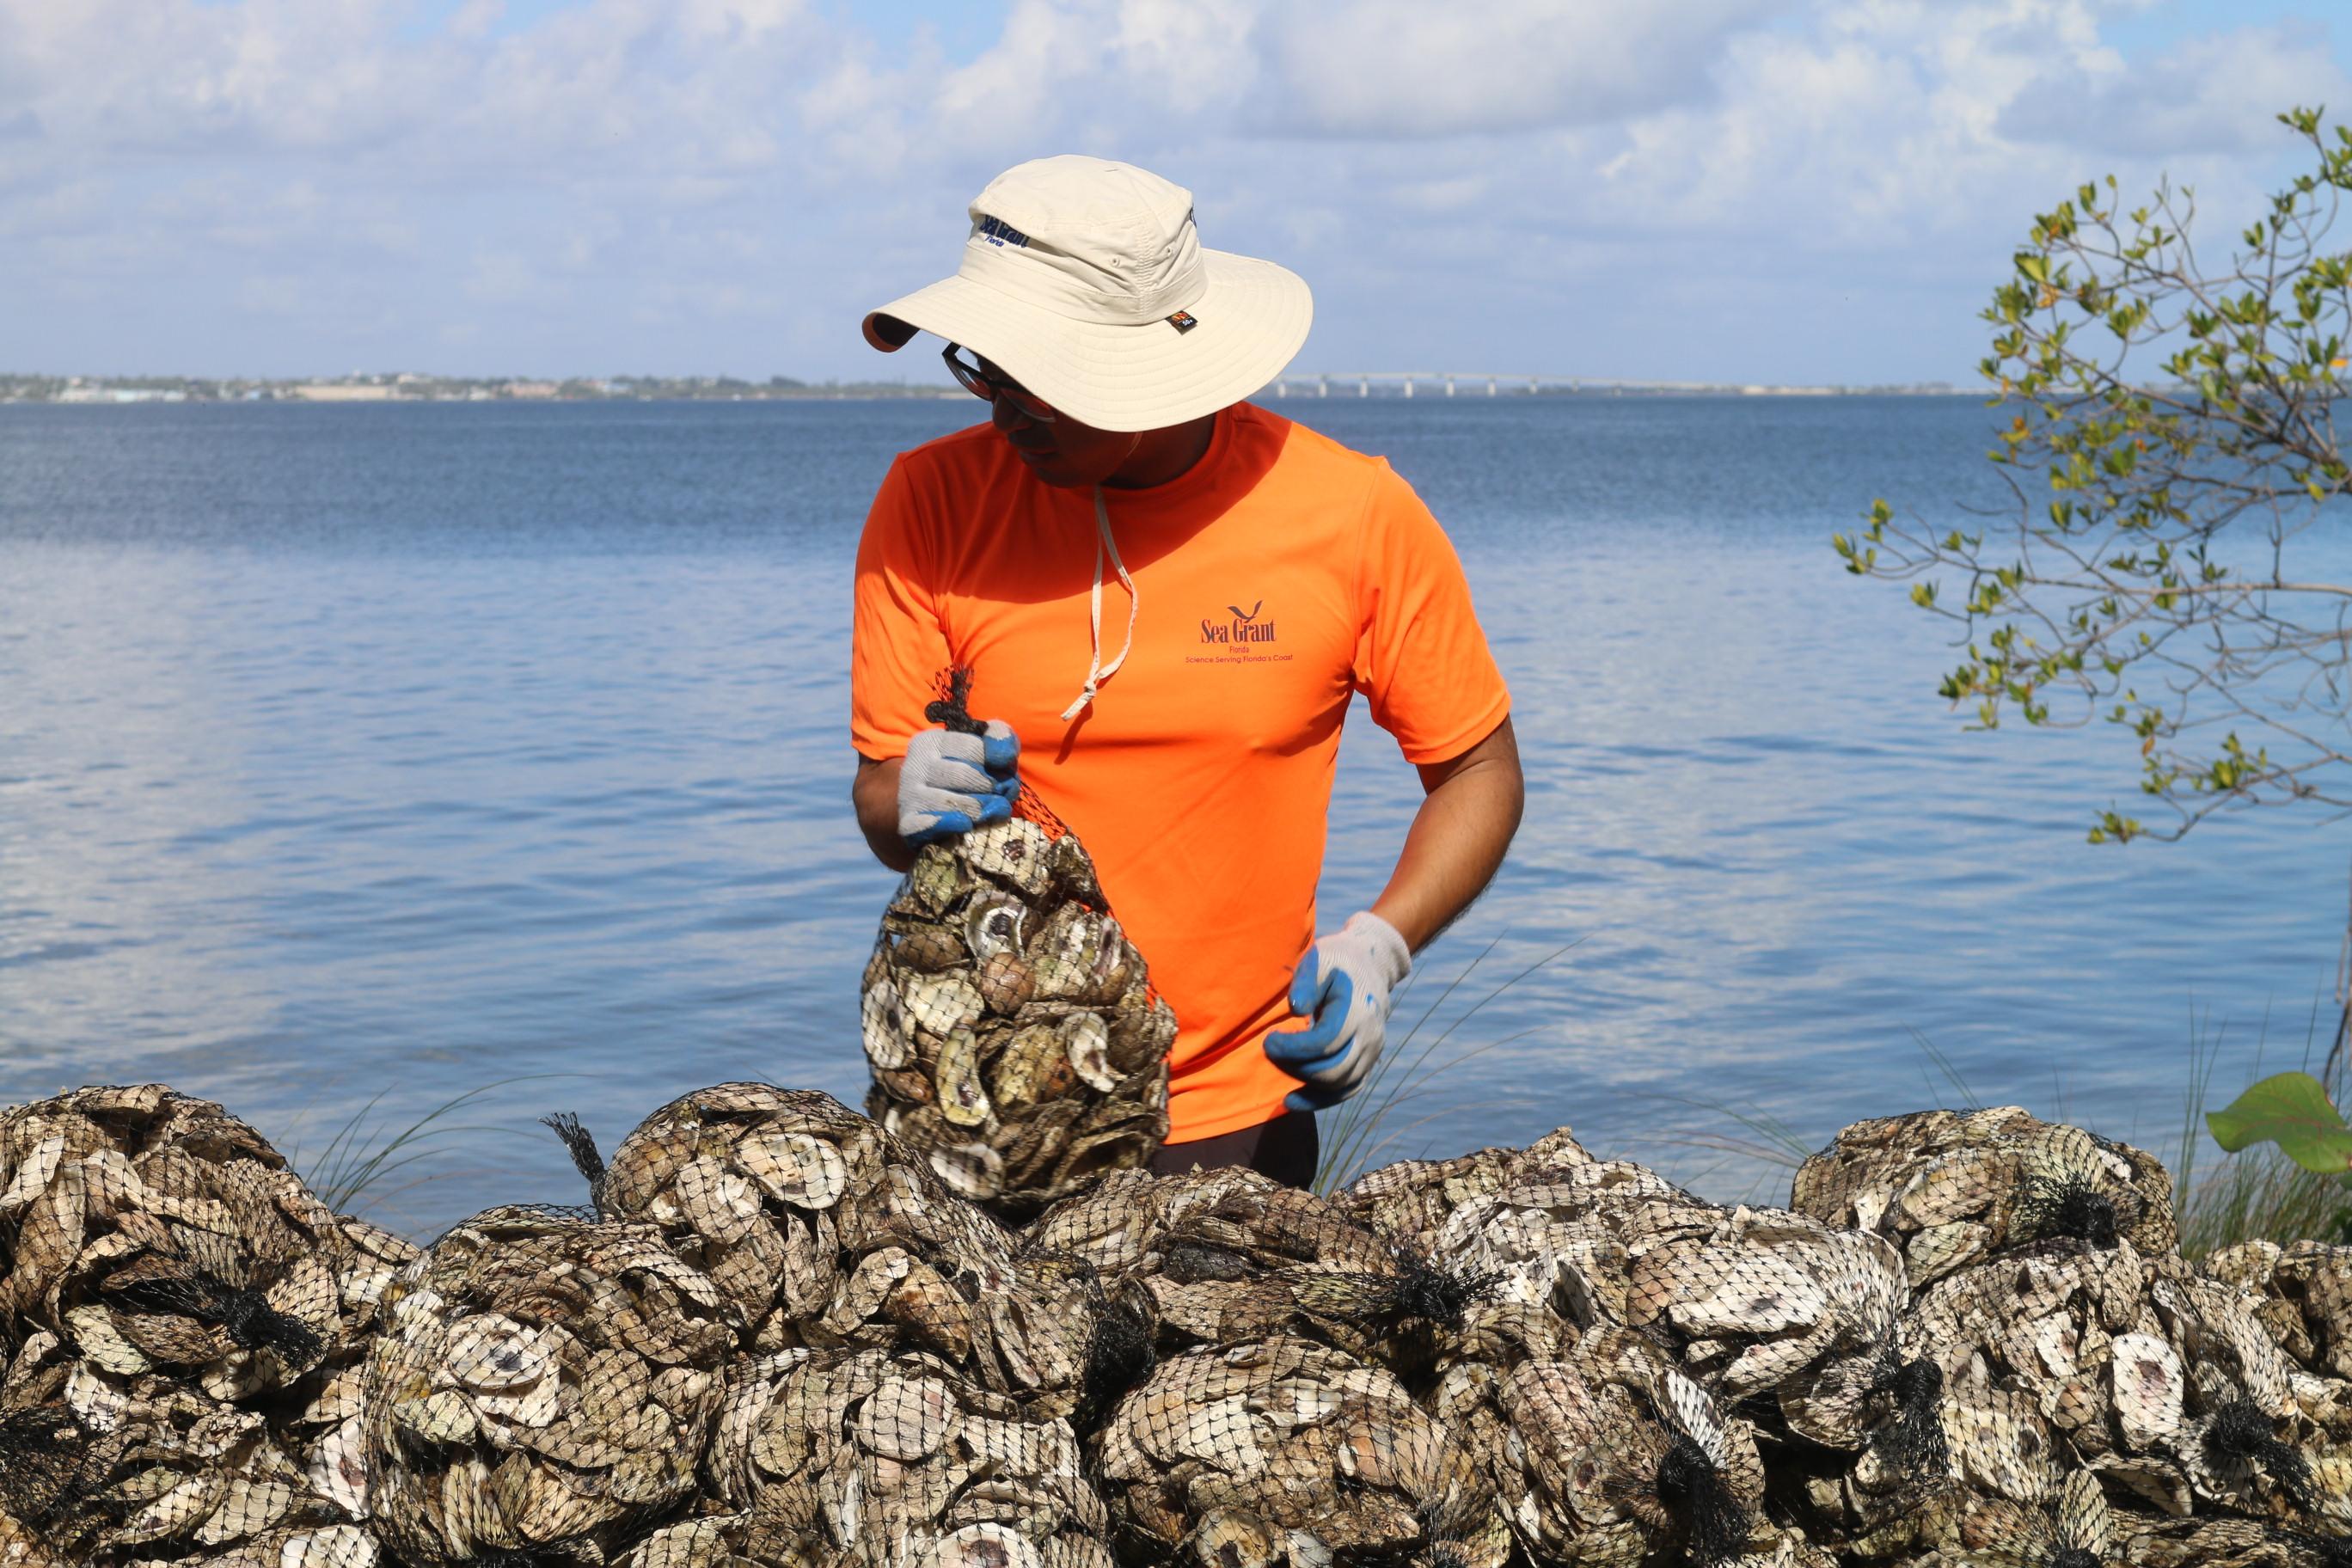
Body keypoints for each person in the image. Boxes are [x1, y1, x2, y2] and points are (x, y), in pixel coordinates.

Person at [848, 155, 1522, 1187]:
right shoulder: (929, 502)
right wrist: (907, 796)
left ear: (1154, 360)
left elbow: (1479, 773)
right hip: (975, 1105)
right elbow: (881, 806)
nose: (1002, 407)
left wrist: (1382, 945)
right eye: (982, 365)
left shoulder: (1352, 515)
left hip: (1234, 1119)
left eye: (1038, 374)